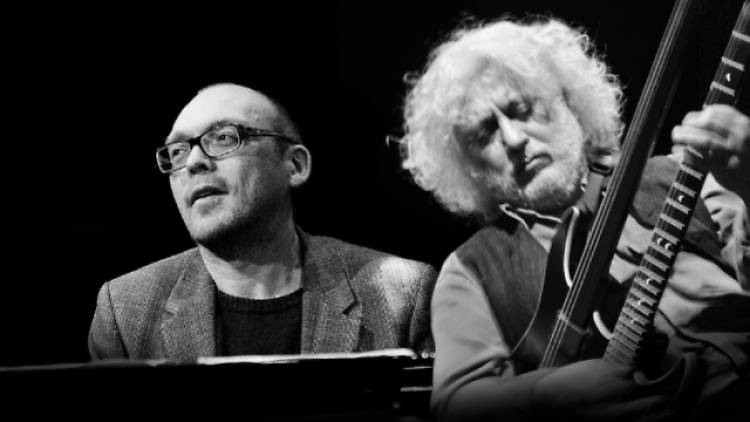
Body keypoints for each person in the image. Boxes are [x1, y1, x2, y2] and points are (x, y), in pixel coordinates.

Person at [399, 17, 749, 421]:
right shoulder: (471, 269)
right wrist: (546, 395)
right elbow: (457, 406)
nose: (513, 139)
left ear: (569, 103)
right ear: (470, 167)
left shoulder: (679, 175)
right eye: (484, 134)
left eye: (522, 110)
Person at [88, 83, 436, 361]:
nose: (193, 162)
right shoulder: (125, 310)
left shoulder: (403, 295)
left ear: (295, 165)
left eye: (223, 137)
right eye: (177, 151)